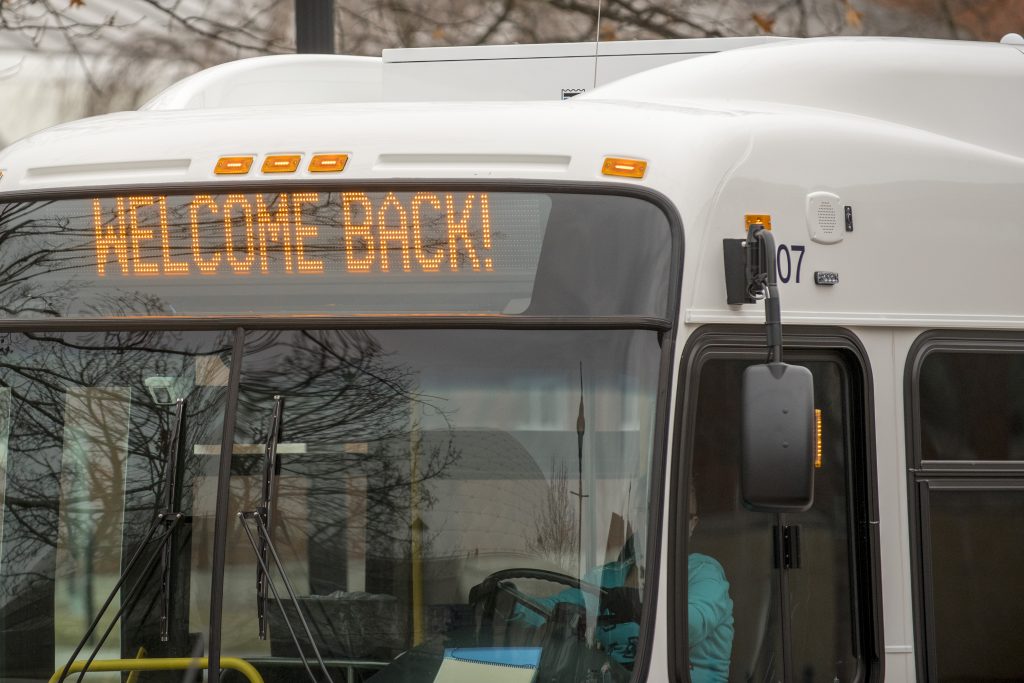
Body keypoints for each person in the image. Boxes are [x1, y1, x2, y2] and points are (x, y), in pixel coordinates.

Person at [687, 483, 734, 683]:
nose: (653, 522)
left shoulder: (705, 572)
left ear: (692, 524)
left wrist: (635, 604)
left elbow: (688, 627)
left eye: (668, 515)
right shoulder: (605, 576)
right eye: (643, 511)